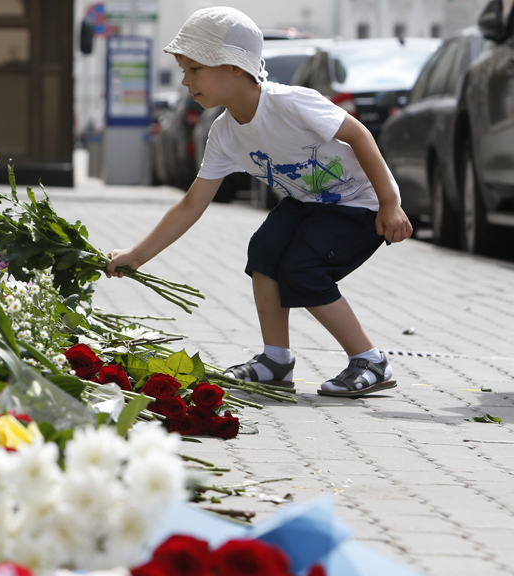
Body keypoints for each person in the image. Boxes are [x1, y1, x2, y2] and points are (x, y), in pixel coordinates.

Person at [105, 6, 413, 398]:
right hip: (309, 202)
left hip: (361, 203)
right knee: (264, 250)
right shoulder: (223, 134)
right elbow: (191, 205)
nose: (185, 81)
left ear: (235, 66)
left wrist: (389, 203)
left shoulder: (290, 102)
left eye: (195, 69)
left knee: (302, 271)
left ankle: (369, 359)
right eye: (184, 70)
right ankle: (275, 359)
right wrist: (138, 253)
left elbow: (359, 136)